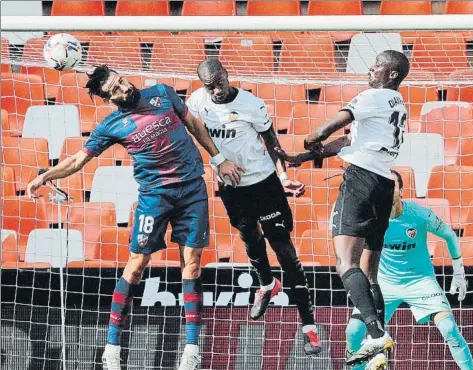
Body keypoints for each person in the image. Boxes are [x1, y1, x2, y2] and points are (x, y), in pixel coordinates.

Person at [26, 65, 243, 370]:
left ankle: (191, 348)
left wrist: (218, 159)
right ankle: (112, 346)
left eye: (122, 81)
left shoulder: (162, 93)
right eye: (115, 89)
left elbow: (193, 122)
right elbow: (77, 159)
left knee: (192, 264)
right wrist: (45, 176)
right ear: (106, 98)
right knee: (137, 265)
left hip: (193, 190)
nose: (124, 88)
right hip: (155, 197)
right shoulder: (111, 125)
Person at [277, 50, 412, 369]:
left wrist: (313, 137)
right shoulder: (398, 104)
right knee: (369, 273)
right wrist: (306, 158)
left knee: (345, 262)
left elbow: (338, 123)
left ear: (391, 74)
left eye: (377, 65)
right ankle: (379, 345)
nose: (371, 68)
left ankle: (377, 335)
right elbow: (352, 140)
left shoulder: (373, 96)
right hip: (383, 184)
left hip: (360, 183)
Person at [185, 58, 321, 355]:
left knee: (284, 249)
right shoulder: (196, 102)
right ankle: (266, 284)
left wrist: (283, 175)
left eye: (219, 83)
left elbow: (271, 141)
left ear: (227, 75)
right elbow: (196, 132)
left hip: (264, 184)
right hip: (231, 187)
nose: (216, 91)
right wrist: (219, 162)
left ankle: (309, 325)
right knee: (249, 237)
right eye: (210, 87)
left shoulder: (251, 104)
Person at [345, 169, 473, 370]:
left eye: (392, 185)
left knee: (449, 328)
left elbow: (449, 235)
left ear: (401, 191)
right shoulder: (371, 218)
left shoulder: (420, 216)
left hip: (420, 280)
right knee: (353, 331)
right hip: (384, 283)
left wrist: (459, 273)